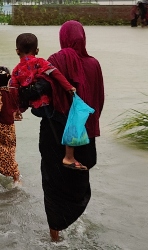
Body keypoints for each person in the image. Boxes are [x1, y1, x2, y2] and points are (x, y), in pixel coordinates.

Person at [42, 20, 105, 242]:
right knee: (77, 184)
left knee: (52, 184)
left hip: (54, 133)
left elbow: (42, 100)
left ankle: (54, 237)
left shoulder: (54, 61)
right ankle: (75, 228)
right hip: (85, 134)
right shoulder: (94, 64)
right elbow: (98, 99)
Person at [10, 33, 84, 171]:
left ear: (17, 51)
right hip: (49, 106)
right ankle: (69, 156)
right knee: (68, 122)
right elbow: (56, 74)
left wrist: (17, 110)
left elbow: (14, 91)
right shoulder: (40, 62)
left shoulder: (15, 71)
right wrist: (69, 87)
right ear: (37, 50)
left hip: (36, 109)